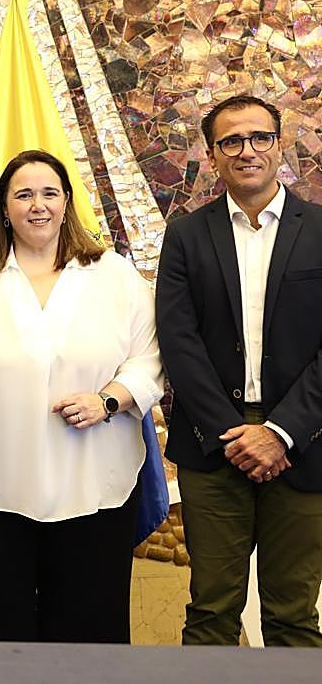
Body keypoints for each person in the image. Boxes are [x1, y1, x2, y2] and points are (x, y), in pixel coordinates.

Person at [0, 149, 162, 643]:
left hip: (96, 489)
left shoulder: (114, 276)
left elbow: (150, 358)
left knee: (89, 629)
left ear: (67, 202)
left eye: (50, 193)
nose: (38, 205)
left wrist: (108, 400)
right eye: (23, 194)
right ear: (4, 208)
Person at [156, 95, 322, 647]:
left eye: (259, 138)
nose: (247, 151)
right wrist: (235, 435)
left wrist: (278, 433)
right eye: (231, 141)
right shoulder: (185, 235)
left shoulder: (320, 229)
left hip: (304, 442)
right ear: (212, 154)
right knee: (211, 611)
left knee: (294, 615)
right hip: (212, 444)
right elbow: (178, 342)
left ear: (279, 146)